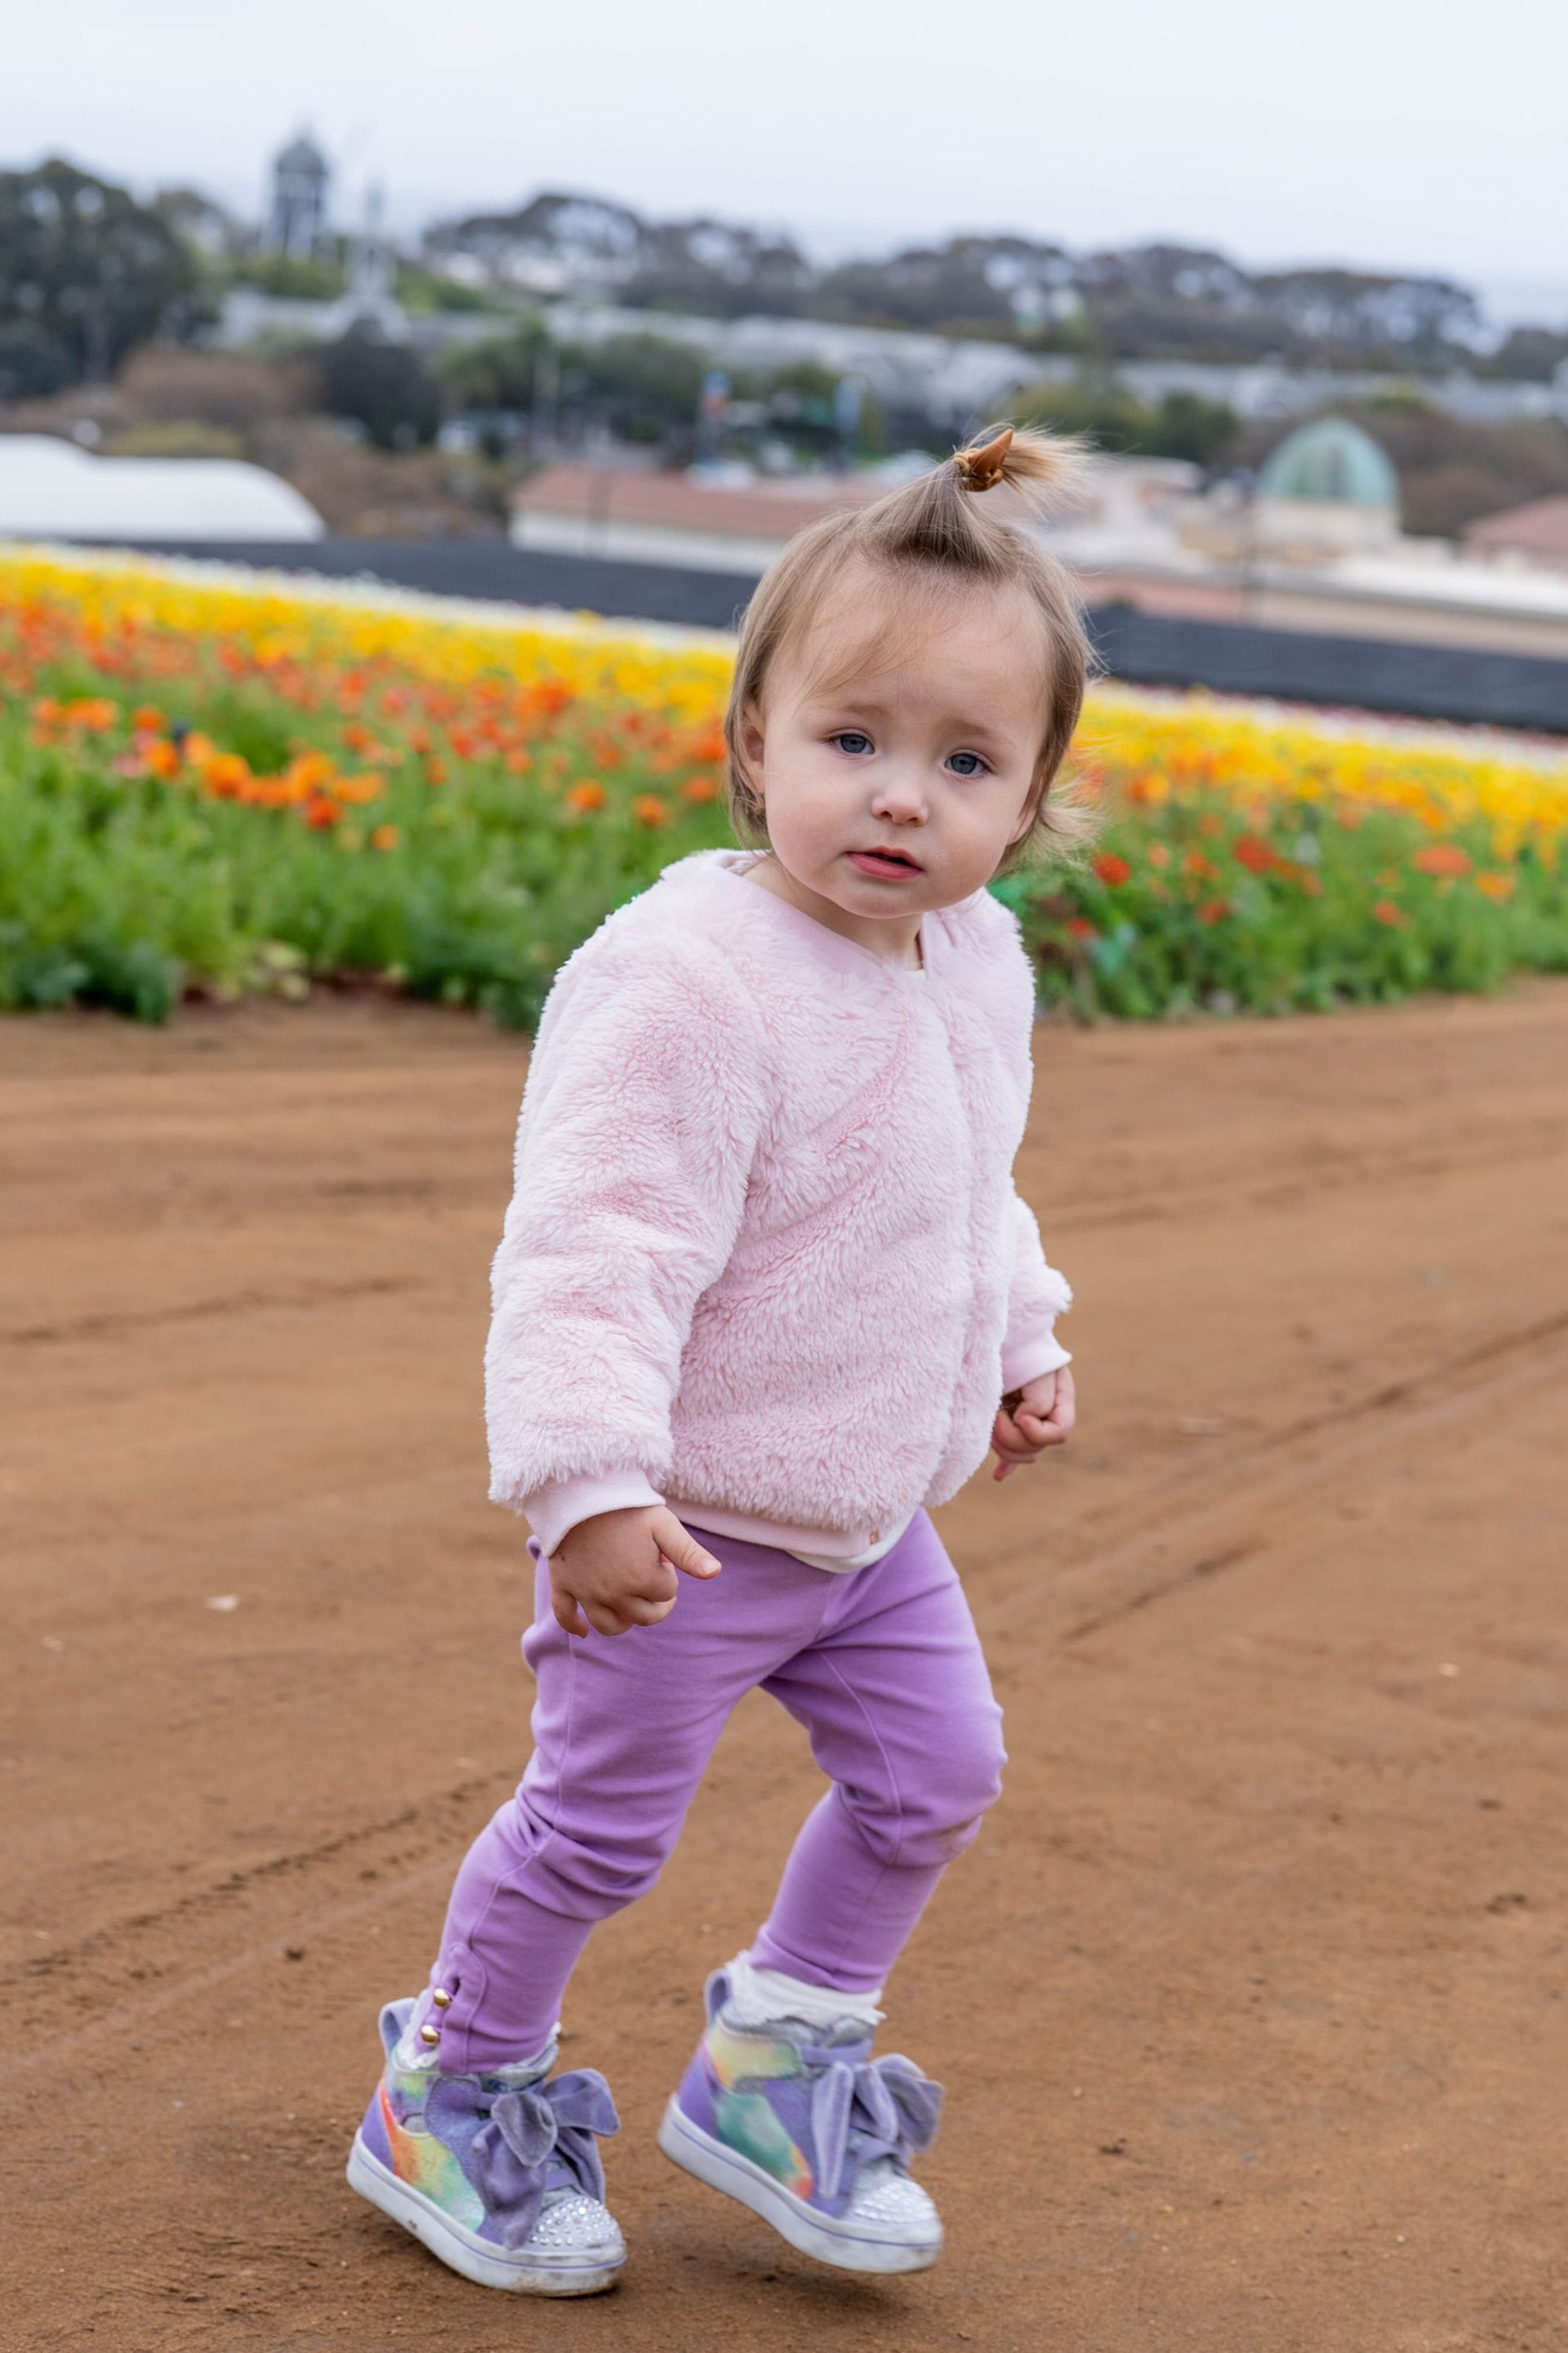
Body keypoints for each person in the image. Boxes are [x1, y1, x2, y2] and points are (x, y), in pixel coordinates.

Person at [346, 425, 1090, 2295]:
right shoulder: (690, 980)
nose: (901, 800)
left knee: (941, 1774)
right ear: (754, 738)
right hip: (677, 1530)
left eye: (965, 762)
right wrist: (589, 1485)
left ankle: (777, 2059)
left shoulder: (969, 957)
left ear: (1034, 800)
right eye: (853, 740)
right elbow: (595, 1248)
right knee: (595, 1832)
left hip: (862, 1523)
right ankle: (453, 2083)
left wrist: (1017, 1336)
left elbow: (961, 1184)